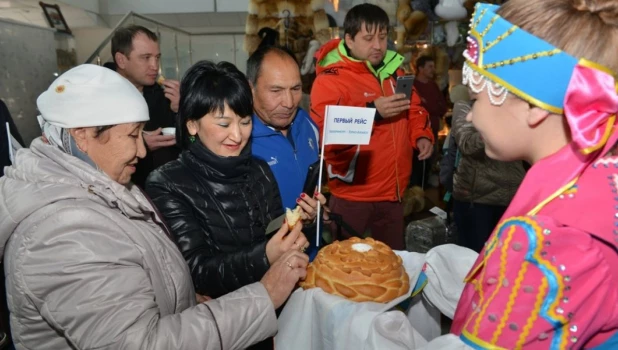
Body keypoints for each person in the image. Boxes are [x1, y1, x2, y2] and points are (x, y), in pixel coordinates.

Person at [0, 64, 307, 349]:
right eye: (133, 135)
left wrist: (187, 302)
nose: (142, 149)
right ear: (82, 135)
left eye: (244, 122)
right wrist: (264, 295)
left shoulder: (109, 188)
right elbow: (142, 342)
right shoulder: (59, 231)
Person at [444, 1, 618, 348]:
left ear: (533, 106)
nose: (472, 117)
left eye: (477, 98)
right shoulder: (599, 176)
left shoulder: (548, 244)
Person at [310, 3, 434, 250]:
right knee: (348, 271)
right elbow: (324, 133)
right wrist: (372, 112)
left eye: (382, 36)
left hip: (394, 194)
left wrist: (421, 134)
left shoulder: (394, 72)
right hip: (353, 198)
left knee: (392, 266)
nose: (377, 45)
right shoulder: (330, 80)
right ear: (349, 40)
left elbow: (414, 107)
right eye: (368, 38)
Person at [247, 45, 328, 254]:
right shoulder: (237, 140)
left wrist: (318, 211)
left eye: (295, 89)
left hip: (314, 255)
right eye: (276, 90)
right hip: (268, 267)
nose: (289, 102)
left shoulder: (308, 124)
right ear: (250, 88)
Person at [450, 100, 525, 253]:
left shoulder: (519, 105)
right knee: (473, 259)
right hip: (478, 200)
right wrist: (499, 125)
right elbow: (467, 144)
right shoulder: (466, 105)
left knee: (508, 260)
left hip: (514, 199)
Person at [112, 25, 180, 188]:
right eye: (146, 57)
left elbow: (191, 142)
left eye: (157, 57)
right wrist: (138, 143)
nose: (155, 66)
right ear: (121, 60)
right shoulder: (101, 98)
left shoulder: (164, 96)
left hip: (166, 193)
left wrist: (180, 111)